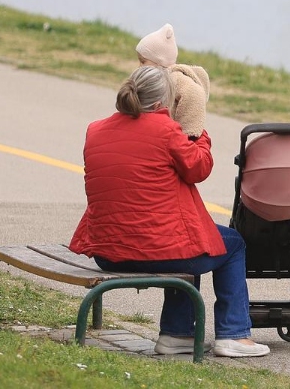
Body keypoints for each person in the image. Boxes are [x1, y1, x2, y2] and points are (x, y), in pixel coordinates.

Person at [68, 65, 269, 358]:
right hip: (155, 252)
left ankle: (178, 334)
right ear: (163, 103)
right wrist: (197, 131)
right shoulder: (166, 131)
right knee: (231, 244)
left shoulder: (95, 130)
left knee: (193, 242)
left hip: (108, 252)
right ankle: (234, 334)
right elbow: (199, 168)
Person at [135, 23, 211, 138]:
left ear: (158, 61)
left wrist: (188, 133)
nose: (139, 66)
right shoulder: (156, 79)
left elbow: (195, 93)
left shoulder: (174, 78)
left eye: (143, 62)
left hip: (173, 137)